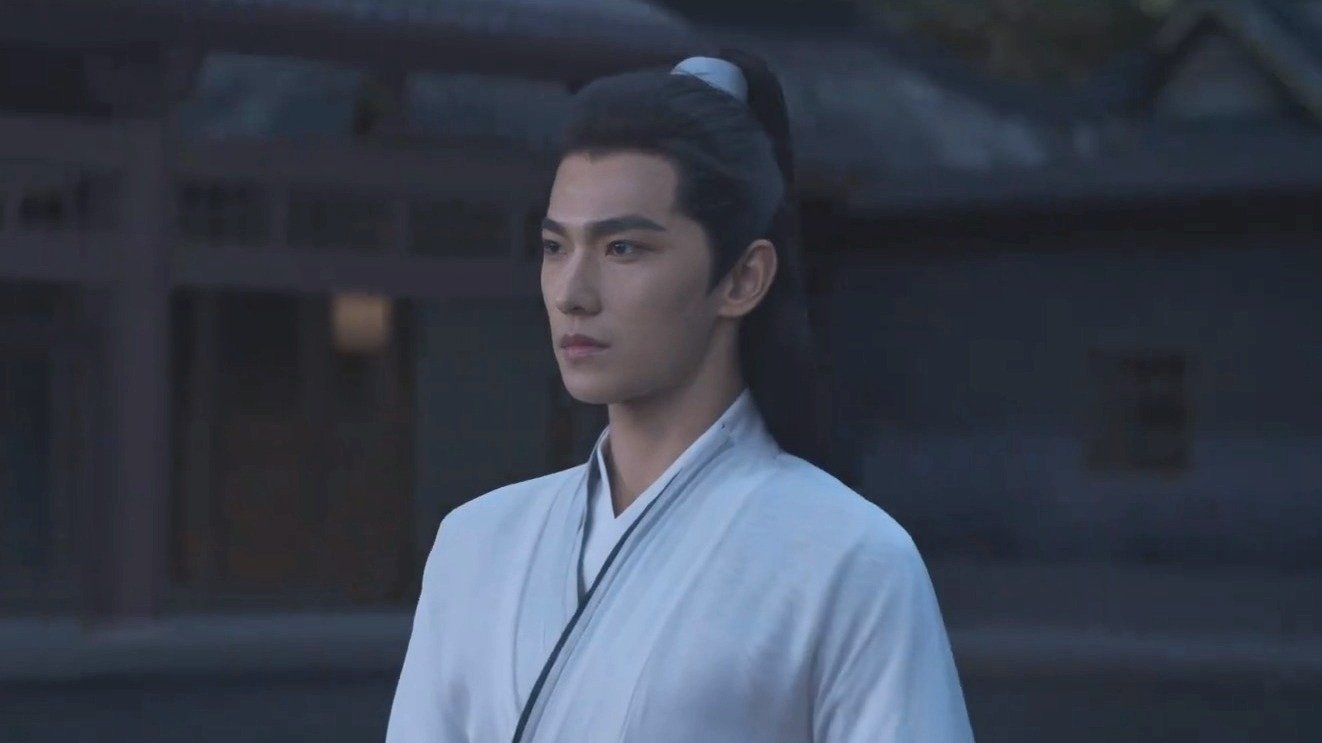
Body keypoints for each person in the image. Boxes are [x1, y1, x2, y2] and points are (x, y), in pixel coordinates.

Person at [386, 50, 974, 743]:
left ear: (743, 279)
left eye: (623, 249)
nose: (572, 293)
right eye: (555, 247)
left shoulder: (851, 558)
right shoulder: (476, 541)